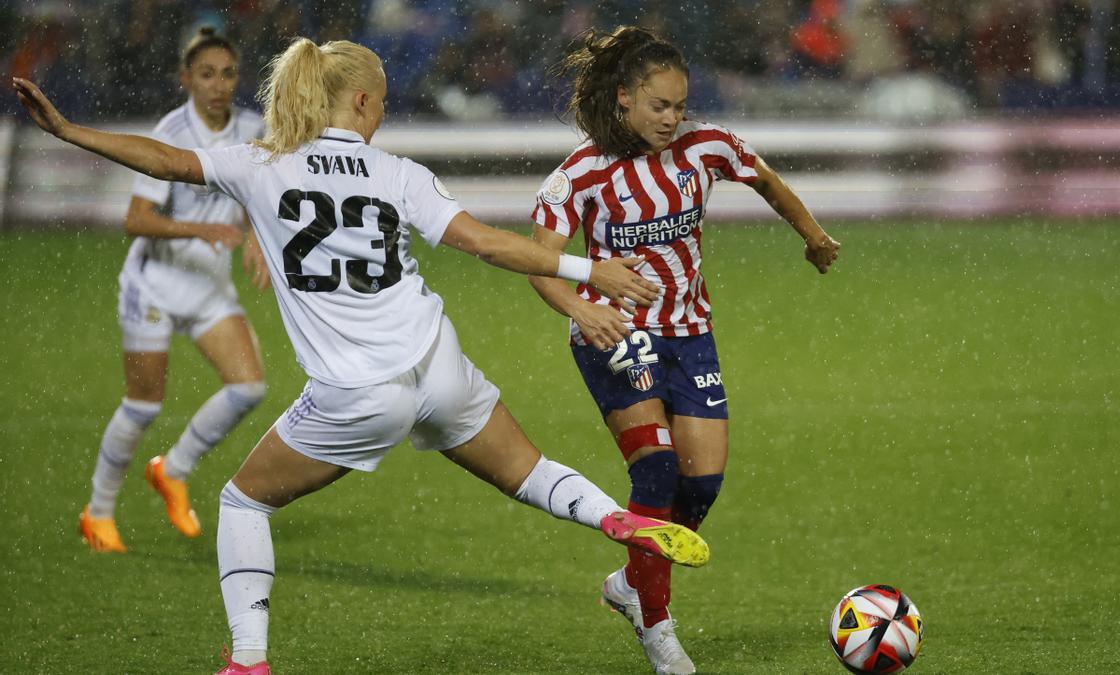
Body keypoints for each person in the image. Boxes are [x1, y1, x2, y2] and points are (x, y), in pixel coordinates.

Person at [14, 36, 712, 675]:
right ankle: (612, 519)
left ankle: (248, 660)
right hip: (436, 360)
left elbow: (164, 160)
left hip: (357, 389)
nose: (383, 109)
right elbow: (487, 244)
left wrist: (70, 131)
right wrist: (589, 272)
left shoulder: (260, 164)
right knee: (526, 471)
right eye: (381, 97)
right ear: (360, 99)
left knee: (242, 500)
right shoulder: (396, 172)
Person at [528, 26, 840, 675]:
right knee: (657, 473)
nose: (672, 119)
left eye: (679, 105)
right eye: (658, 106)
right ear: (623, 101)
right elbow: (539, 263)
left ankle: (631, 581)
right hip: (615, 332)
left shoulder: (708, 147)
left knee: (700, 485)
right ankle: (658, 624)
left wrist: (811, 235)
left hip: (691, 329)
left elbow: (768, 181)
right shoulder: (580, 174)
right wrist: (581, 306)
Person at [78, 27, 271, 554]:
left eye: (228, 73)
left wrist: (255, 234)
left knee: (248, 389)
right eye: (206, 74)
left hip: (209, 288)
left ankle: (174, 468)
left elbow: (260, 191)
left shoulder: (254, 128)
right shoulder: (171, 132)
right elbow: (136, 220)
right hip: (155, 288)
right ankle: (97, 512)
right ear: (186, 79)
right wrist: (202, 229)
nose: (218, 85)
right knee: (144, 406)